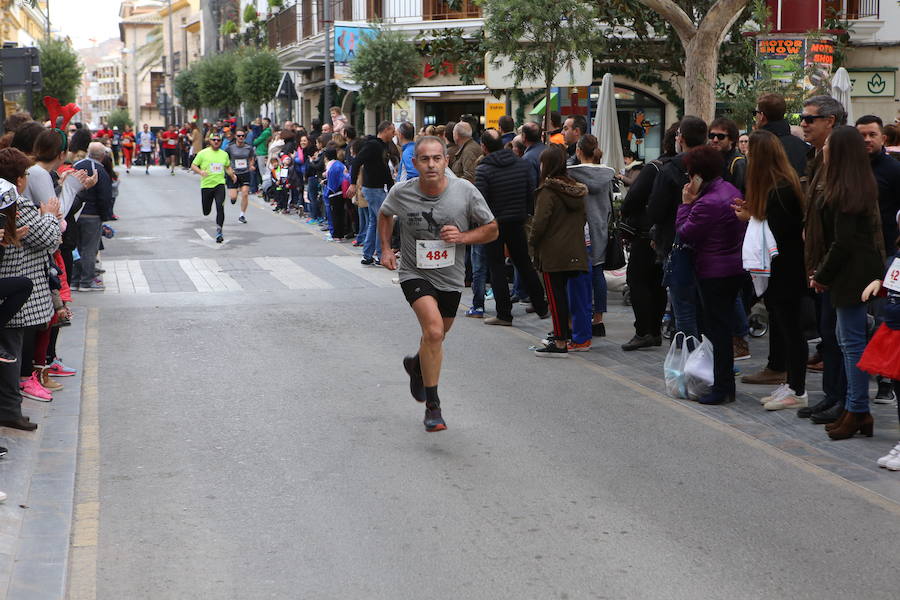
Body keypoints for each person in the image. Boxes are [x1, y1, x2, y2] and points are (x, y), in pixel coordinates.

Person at [378, 135, 497, 431]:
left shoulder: (464, 191)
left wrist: (463, 237)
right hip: (415, 272)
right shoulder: (402, 192)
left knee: (437, 336)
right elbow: (384, 214)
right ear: (415, 163)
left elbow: (492, 229)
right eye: (424, 159)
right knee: (432, 330)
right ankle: (433, 406)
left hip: (451, 277)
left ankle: (417, 365)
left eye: (436, 158)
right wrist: (385, 248)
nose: (431, 164)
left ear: (446, 160)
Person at [807, 126, 885, 440]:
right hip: (851, 272)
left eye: (828, 145)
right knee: (846, 340)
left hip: (853, 275)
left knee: (851, 344)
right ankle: (856, 410)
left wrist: (821, 275)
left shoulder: (847, 189)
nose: (823, 149)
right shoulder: (848, 183)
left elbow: (844, 242)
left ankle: (857, 409)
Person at [733, 130, 808, 411]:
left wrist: (751, 215)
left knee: (791, 327)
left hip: (786, 268)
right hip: (781, 267)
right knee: (784, 324)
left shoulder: (781, 188)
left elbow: (777, 228)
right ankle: (792, 384)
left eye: (751, 150)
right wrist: (752, 212)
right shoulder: (777, 184)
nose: (747, 154)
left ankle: (798, 388)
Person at [676, 145, 746, 405]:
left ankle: (722, 386)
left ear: (697, 175)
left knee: (717, 330)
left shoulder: (707, 202)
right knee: (720, 328)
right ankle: (722, 383)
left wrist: (685, 205)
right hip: (732, 266)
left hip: (714, 270)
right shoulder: (729, 190)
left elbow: (685, 231)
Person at [0, 147, 61, 420]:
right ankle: (11, 410)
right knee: (11, 351)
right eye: (24, 173)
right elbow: (48, 238)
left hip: (14, 284)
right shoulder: (17, 203)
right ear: (19, 179)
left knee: (11, 348)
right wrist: (49, 214)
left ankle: (12, 407)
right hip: (15, 287)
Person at [474, 129, 548, 325]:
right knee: (524, 262)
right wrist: (524, 213)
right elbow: (530, 191)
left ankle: (504, 314)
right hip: (517, 220)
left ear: (484, 147)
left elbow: (480, 202)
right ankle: (541, 306)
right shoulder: (521, 164)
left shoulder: (483, 169)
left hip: (493, 223)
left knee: (496, 267)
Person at [648, 115, 708, 340]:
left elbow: (655, 210)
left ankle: (692, 358)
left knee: (683, 305)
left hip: (677, 242)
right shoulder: (714, 165)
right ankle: (707, 355)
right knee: (703, 306)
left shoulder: (670, 169)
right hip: (708, 243)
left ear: (680, 138)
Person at [619, 123, 678, 351]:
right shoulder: (687, 166)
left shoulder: (656, 167)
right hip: (672, 232)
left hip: (648, 232)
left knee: (638, 280)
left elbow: (633, 198)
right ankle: (653, 331)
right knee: (657, 284)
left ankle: (644, 331)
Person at [530, 145, 589, 357]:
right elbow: (582, 219)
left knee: (555, 297)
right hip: (574, 249)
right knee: (566, 295)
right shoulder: (575, 189)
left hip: (553, 252)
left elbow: (539, 223)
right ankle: (564, 332)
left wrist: (532, 244)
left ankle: (561, 340)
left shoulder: (548, 191)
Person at [859, 211, 900, 468]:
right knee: (898, 388)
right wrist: (879, 283)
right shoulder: (897, 257)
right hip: (894, 331)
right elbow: (893, 278)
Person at [568, 134, 616, 343]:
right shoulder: (607, 174)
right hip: (601, 227)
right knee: (598, 272)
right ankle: (598, 320)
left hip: (580, 228)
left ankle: (577, 319)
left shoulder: (571, 173)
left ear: (579, 151)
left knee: (578, 274)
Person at [349, 121, 395, 266]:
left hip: (376, 187)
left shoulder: (382, 146)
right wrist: (352, 183)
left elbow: (384, 168)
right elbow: (356, 162)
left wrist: (390, 184)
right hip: (373, 188)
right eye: (392, 131)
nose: (394, 134)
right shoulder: (373, 145)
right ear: (386, 130)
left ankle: (368, 255)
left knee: (374, 221)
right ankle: (380, 255)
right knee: (383, 221)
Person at [72, 142, 114, 292]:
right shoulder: (101, 171)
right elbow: (105, 197)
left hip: (75, 214)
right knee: (89, 249)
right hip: (92, 214)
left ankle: (74, 280)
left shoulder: (77, 166)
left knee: (75, 248)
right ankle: (86, 282)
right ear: (103, 156)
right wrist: (104, 216)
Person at [190, 133, 234, 244]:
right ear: (210, 141)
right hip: (206, 185)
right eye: (214, 140)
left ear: (221, 142)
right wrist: (200, 172)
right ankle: (207, 211)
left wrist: (232, 175)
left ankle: (219, 231)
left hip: (219, 184)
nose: (216, 142)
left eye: (218, 140)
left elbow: (227, 167)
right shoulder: (203, 153)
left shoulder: (224, 154)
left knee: (220, 206)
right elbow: (193, 165)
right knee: (206, 211)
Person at [753, 93, 810, 177]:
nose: (755, 116)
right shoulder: (802, 145)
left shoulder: (760, 145)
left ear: (761, 116)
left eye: (755, 113)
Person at [225, 128, 255, 224]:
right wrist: (229, 169)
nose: (241, 137)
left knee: (245, 194)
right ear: (235, 137)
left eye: (243, 136)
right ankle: (235, 193)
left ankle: (242, 215)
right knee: (233, 197)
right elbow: (225, 159)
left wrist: (251, 165)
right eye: (239, 136)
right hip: (233, 174)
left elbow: (251, 158)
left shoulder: (248, 148)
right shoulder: (230, 147)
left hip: (245, 173)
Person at [708, 117, 745, 193]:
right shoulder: (708, 159)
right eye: (711, 136)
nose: (715, 140)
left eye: (721, 137)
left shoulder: (738, 163)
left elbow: (737, 195)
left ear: (732, 139)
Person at [253, 118, 273, 193]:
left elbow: (256, 141)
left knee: (263, 172)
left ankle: (265, 190)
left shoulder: (266, 132)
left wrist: (255, 140)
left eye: (265, 122)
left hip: (262, 152)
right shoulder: (266, 131)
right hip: (262, 152)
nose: (263, 124)